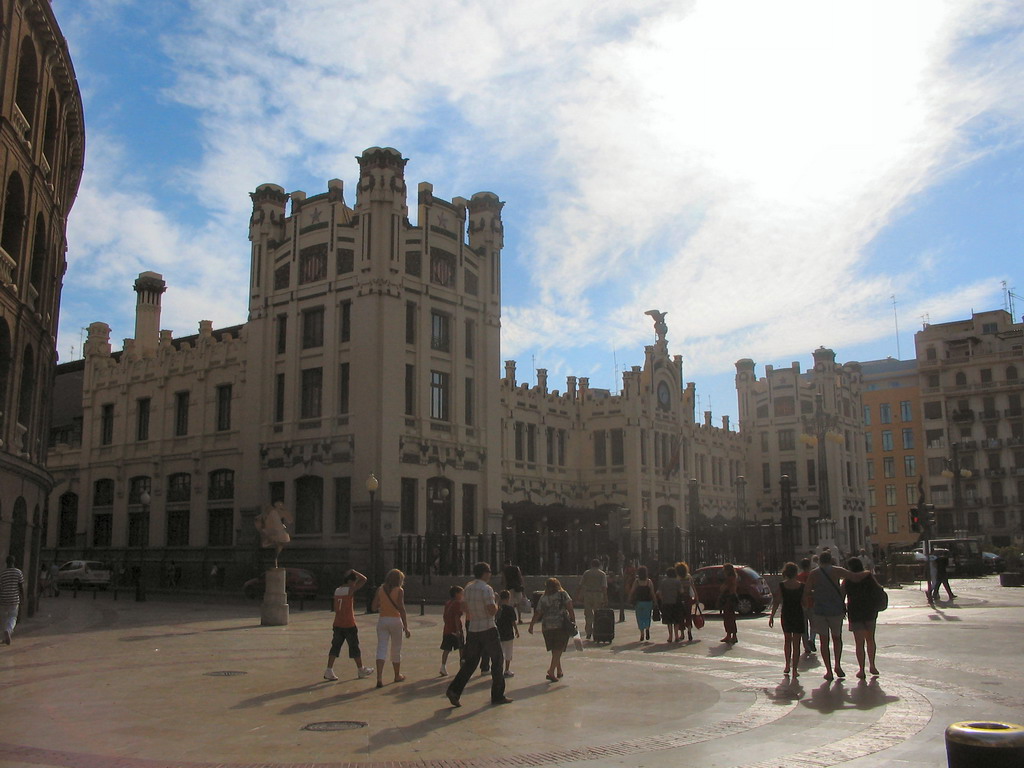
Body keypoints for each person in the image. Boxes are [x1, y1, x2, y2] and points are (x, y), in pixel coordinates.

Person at [446, 562, 510, 707]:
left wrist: (474, 612)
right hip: (487, 627)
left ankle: (454, 690)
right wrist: (497, 602)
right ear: (485, 573)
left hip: (473, 628)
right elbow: (491, 610)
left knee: (471, 662)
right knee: (497, 660)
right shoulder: (486, 589)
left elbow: (463, 607)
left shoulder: (468, 588)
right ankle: (498, 695)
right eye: (489, 572)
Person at [803, 550, 873, 681]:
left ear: (819, 561)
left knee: (824, 641)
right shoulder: (837, 570)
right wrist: (867, 572)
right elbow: (854, 577)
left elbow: (807, 591)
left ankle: (828, 671)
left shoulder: (814, 573)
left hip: (820, 611)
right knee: (837, 638)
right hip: (835, 610)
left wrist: (816, 593)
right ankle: (838, 665)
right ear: (830, 560)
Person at [323, 569, 374, 681]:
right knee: (354, 647)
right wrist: (354, 572)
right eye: (354, 581)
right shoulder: (349, 590)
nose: (355, 584)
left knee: (335, 647)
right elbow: (364, 579)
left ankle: (329, 669)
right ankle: (361, 669)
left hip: (338, 623)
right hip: (349, 623)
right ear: (350, 581)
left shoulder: (337, 590)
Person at [529, 577, 575, 682]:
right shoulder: (563, 594)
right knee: (559, 648)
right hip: (560, 625)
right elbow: (570, 607)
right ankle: (551, 670)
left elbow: (538, 612)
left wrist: (531, 625)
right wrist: (573, 620)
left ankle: (559, 670)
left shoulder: (543, 597)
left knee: (555, 649)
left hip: (546, 626)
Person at [372, 569, 411, 689]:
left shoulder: (380, 589)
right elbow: (402, 608)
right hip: (395, 620)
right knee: (396, 649)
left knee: (381, 648)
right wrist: (406, 626)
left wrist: (382, 605)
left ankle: (379, 678)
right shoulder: (399, 591)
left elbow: (373, 607)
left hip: (383, 620)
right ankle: (396, 675)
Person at [844, 557, 881, 679]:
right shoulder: (868, 576)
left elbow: (841, 594)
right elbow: (878, 589)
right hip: (870, 611)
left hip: (855, 613)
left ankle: (861, 669)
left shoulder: (848, 579)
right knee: (870, 640)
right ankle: (872, 665)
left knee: (859, 643)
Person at [768, 562, 804, 677]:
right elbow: (804, 602)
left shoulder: (782, 586)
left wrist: (772, 616)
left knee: (787, 640)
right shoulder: (801, 586)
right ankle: (795, 669)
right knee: (797, 643)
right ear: (796, 572)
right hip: (798, 613)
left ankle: (788, 665)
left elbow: (777, 601)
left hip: (787, 613)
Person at [576, 558, 608, 640]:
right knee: (597, 614)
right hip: (598, 594)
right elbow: (604, 587)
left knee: (588, 614)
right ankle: (597, 631)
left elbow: (580, 585)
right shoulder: (602, 574)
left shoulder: (586, 573)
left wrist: (578, 595)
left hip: (588, 594)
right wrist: (605, 597)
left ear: (591, 565)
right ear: (599, 565)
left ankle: (588, 632)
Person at [439, 585, 465, 676]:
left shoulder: (448, 603)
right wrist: (458, 630)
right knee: (461, 649)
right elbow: (457, 617)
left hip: (447, 629)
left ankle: (443, 666)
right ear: (456, 594)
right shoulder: (458, 603)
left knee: (446, 649)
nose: (463, 595)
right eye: (461, 593)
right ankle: (462, 668)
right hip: (455, 630)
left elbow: (444, 616)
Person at [628, 566, 657, 642]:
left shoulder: (637, 581)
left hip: (639, 602)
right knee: (647, 616)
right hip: (648, 602)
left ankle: (642, 634)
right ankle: (647, 628)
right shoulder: (649, 581)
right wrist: (655, 601)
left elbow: (632, 591)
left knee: (639, 617)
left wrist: (630, 598)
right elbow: (652, 593)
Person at [1, 555, 24, 645]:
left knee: (4, 618)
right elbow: (20, 586)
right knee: (13, 617)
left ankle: (4, 638)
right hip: (14, 598)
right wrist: (22, 598)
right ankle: (8, 630)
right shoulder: (18, 572)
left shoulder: (2, 573)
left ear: (6, 562)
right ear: (14, 562)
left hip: (3, 598)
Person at [496, 590, 519, 677]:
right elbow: (513, 621)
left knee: (500, 652)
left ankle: (498, 669)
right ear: (508, 598)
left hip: (499, 632)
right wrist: (516, 630)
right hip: (508, 632)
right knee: (508, 652)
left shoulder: (497, 608)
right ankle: (507, 669)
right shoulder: (510, 609)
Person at [796, 558, 816, 654]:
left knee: (804, 626)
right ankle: (812, 639)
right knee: (814, 624)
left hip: (802, 604)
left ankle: (806, 647)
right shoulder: (812, 576)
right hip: (812, 602)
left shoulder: (798, 577)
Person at [675, 561, 698, 642]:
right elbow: (693, 587)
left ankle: (682, 634)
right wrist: (697, 597)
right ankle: (689, 631)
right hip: (688, 598)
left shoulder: (677, 578)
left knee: (680, 616)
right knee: (688, 616)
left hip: (680, 599)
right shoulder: (689, 577)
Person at [657, 567, 682, 643]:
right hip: (676, 602)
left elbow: (658, 593)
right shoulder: (677, 582)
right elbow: (681, 591)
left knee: (669, 621)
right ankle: (677, 636)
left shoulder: (663, 582)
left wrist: (662, 599)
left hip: (666, 603)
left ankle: (670, 636)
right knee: (676, 620)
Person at [719, 563, 739, 644]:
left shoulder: (730, 578)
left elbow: (723, 588)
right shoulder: (733, 577)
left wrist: (722, 588)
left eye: (724, 569)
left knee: (728, 617)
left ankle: (732, 635)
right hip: (732, 597)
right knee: (730, 617)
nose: (723, 571)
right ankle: (730, 635)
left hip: (729, 598)